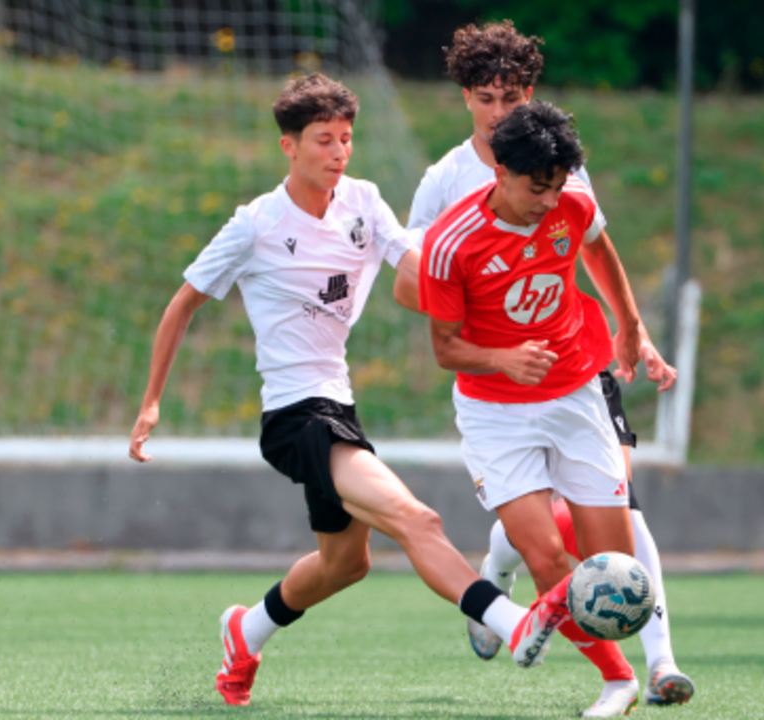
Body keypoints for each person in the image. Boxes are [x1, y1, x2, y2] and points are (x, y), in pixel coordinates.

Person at [127, 73, 573, 707]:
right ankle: (512, 622)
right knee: (416, 518)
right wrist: (151, 402)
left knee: (346, 564)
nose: (338, 152)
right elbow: (181, 305)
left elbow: (419, 268)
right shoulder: (255, 224)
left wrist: (487, 300)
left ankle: (245, 631)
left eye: (345, 138)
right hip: (294, 416)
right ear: (289, 146)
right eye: (323, 140)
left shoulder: (363, 201)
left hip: (337, 404)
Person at [408, 21, 696, 708]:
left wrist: (632, 331)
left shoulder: (563, 181)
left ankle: (654, 656)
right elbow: (418, 290)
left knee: (615, 553)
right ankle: (623, 675)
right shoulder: (447, 195)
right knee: (549, 557)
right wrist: (491, 334)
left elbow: (594, 244)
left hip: (576, 376)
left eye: (511, 96)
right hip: (496, 396)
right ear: (466, 100)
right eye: (486, 97)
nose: (498, 110)